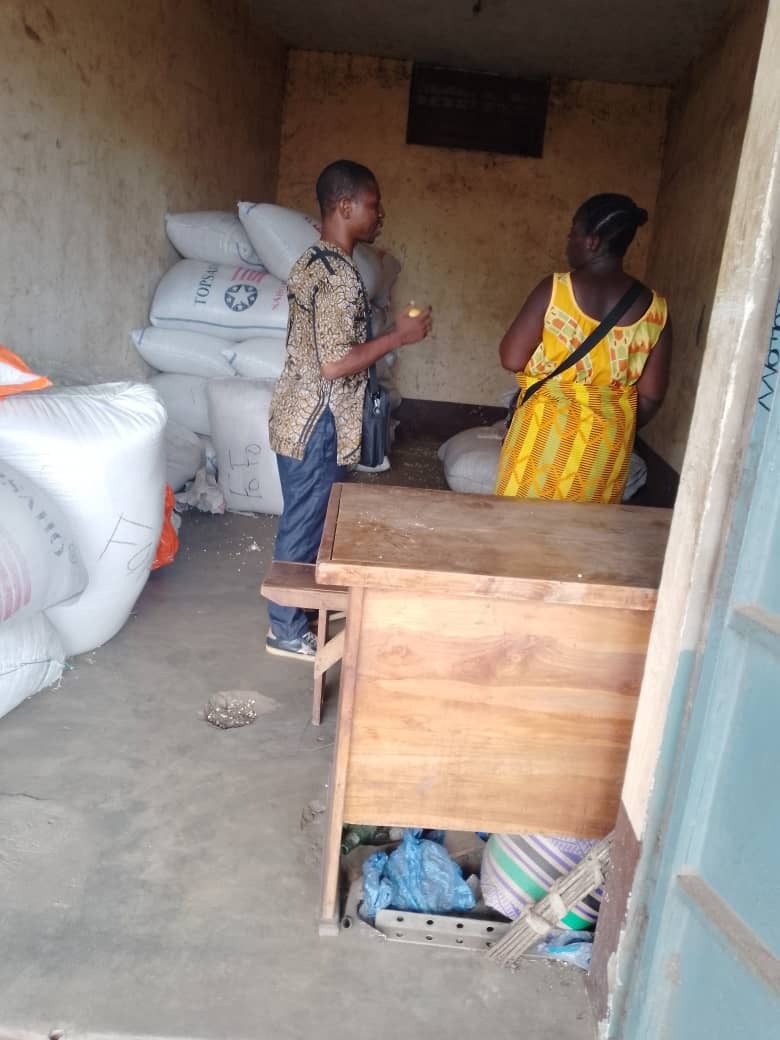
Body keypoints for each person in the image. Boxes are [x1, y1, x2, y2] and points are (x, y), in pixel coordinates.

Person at [266, 160, 433, 659]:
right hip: (318, 421)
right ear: (344, 206)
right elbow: (336, 363)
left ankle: (299, 609)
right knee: (305, 522)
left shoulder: (314, 260)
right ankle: (285, 628)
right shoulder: (338, 277)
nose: (380, 215)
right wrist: (398, 337)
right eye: (373, 205)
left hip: (299, 412)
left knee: (310, 518)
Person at [495, 193, 672, 504]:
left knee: (520, 524)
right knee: (586, 529)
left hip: (543, 432)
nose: (568, 240)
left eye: (573, 232)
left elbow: (511, 358)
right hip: (605, 447)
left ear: (592, 241)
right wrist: (607, 418)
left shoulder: (555, 290)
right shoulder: (656, 310)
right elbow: (652, 395)